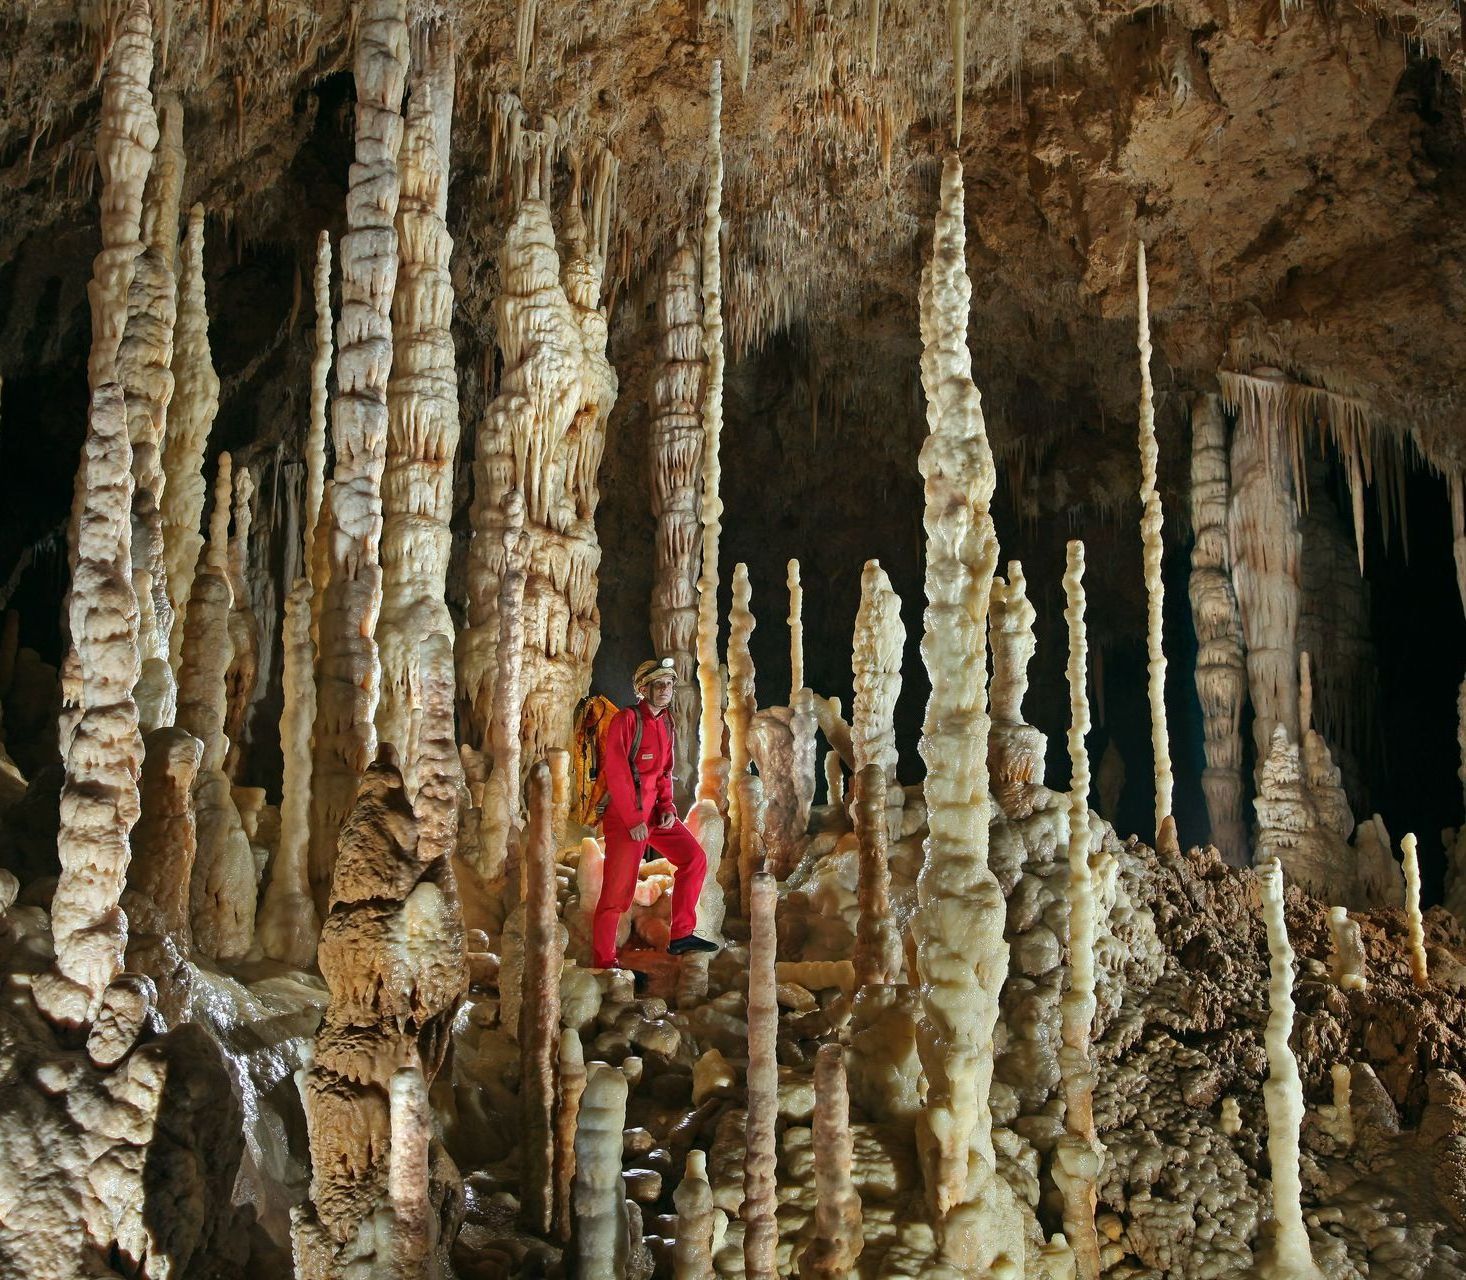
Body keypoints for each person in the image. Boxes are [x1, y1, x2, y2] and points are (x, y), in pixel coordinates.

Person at [593, 657, 719, 973]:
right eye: (659, 684)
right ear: (643, 689)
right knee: (616, 895)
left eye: (669, 683)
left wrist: (666, 809)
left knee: (694, 858)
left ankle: (681, 935)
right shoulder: (626, 721)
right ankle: (604, 961)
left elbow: (664, 772)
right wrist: (634, 820)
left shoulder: (666, 723)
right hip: (626, 819)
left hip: (654, 816)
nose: (666, 689)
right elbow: (618, 772)